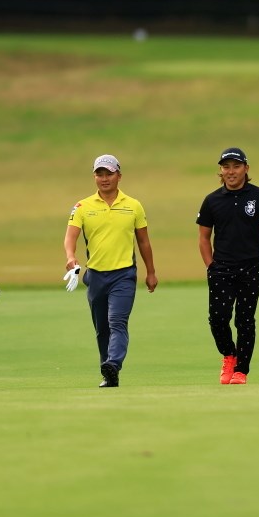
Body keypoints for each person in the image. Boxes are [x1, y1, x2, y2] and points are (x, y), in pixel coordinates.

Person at [64, 154, 158, 388]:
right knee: (102, 329)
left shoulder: (133, 205)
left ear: (119, 175)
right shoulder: (82, 207)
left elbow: (144, 242)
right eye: (99, 174)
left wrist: (151, 271)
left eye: (109, 173)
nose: (104, 178)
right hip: (95, 276)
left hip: (124, 274)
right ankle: (109, 374)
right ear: (95, 176)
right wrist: (71, 257)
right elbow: (70, 237)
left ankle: (113, 363)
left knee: (117, 321)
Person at [197, 147, 259, 385]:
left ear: (246, 169)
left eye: (236, 166)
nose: (231, 172)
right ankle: (229, 355)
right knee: (218, 318)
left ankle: (241, 370)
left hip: (251, 266)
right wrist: (210, 266)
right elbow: (203, 237)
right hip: (221, 268)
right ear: (220, 171)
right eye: (226, 167)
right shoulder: (212, 200)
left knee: (244, 319)